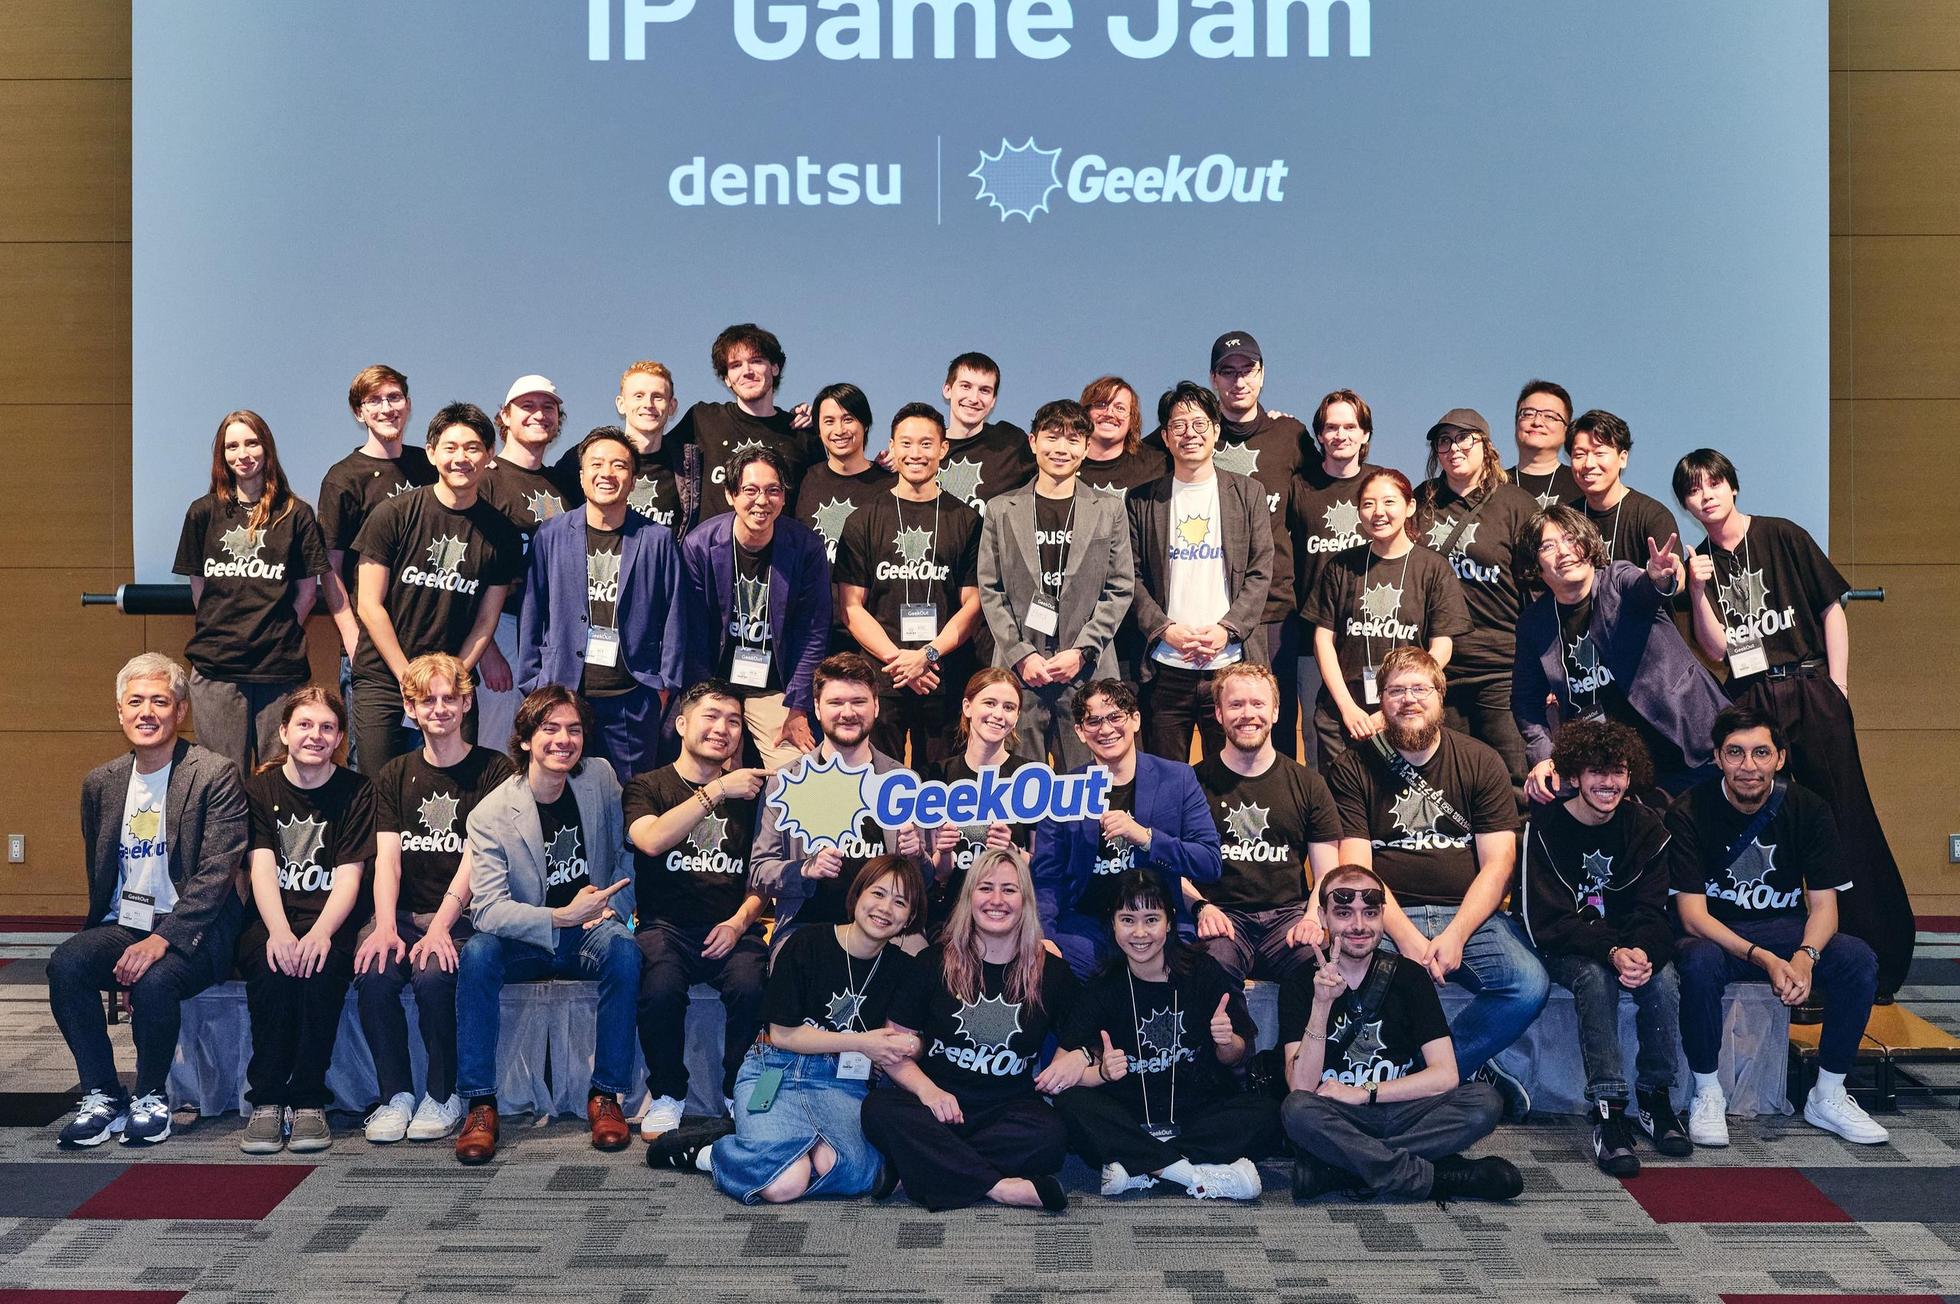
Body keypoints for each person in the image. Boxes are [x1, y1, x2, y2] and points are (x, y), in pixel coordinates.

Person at [1674, 448, 1913, 996]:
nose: (1705, 496)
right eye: (1693, 490)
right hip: (1752, 697)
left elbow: (1831, 609)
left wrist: (1838, 687)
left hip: (1809, 685)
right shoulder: (1701, 562)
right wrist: (1697, 588)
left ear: (1733, 486)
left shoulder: (1782, 534)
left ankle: (1874, 957)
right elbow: (1716, 650)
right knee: (1769, 821)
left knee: (1845, 816)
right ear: (1686, 504)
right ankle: (1788, 958)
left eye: (1713, 483)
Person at [1323, 647, 1545, 1117]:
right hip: (1385, 917)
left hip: (1469, 917)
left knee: (1527, 984)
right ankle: (1443, 1077)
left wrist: (1456, 934)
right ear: (1381, 700)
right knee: (1350, 982)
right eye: (1396, 691)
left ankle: (1428, 1074)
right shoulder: (1353, 766)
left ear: (1441, 696)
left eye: (1420, 689)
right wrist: (1406, 939)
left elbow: (1499, 865)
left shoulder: (1480, 760)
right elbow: (1358, 872)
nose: (1409, 699)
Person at [51, 654, 248, 1148]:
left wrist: (163, 940)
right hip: (127, 921)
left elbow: (217, 873)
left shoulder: (214, 774)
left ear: (180, 710)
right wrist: (112, 940)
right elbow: (102, 875)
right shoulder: (101, 782)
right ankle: (102, 1093)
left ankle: (151, 1097)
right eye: (135, 701)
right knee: (67, 964)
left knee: (156, 980)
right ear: (119, 711)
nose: (146, 712)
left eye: (159, 701)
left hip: (199, 927)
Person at [1668, 706, 1888, 1147]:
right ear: (1717, 757)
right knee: (1697, 961)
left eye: (1761, 752)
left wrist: (1805, 957)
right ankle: (1707, 1091)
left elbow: (1824, 907)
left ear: (1780, 758)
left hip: (1785, 930)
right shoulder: (1688, 810)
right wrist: (1764, 958)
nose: (1748, 766)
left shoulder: (1809, 808)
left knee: (1857, 959)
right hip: (1718, 934)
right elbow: (1692, 916)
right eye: (1735, 752)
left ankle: (1828, 1093)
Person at [653, 857, 925, 1202]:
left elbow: (909, 1041)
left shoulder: (905, 969)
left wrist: (910, 1045)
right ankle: (709, 1152)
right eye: (878, 893)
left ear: (909, 918)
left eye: (900, 902)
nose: (885, 908)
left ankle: (763, 1145)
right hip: (775, 1070)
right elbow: (782, 1034)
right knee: (785, 1183)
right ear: (857, 894)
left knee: (851, 1170)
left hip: (842, 1082)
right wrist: (863, 1042)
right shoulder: (807, 943)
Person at [453, 687, 640, 1163]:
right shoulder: (491, 814)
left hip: (589, 930)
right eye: (550, 728)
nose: (564, 739)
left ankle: (606, 1095)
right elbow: (487, 910)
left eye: (574, 729)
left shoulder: (599, 778)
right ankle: (480, 1103)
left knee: (624, 950)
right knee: (477, 952)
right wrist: (560, 916)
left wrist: (614, 906)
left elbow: (627, 854)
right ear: (525, 739)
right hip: (529, 937)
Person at [1279, 865, 1523, 1203]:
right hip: (1339, 1117)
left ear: (1383, 915)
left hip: (1402, 1109)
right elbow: (1301, 1088)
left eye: (1370, 913)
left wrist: (1364, 1092)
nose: (1359, 925)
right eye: (1344, 913)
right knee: (1297, 1110)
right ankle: (1437, 1178)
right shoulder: (1299, 982)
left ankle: (1346, 1168)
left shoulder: (1409, 976)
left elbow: (1445, 1074)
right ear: (1323, 917)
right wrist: (1321, 1005)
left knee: (1484, 1101)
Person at [863, 847, 1081, 1212]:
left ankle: (919, 1169)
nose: (996, 900)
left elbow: (1086, 1030)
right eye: (985, 888)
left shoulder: (1050, 971)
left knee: (1051, 1137)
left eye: (1009, 890)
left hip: (1008, 1110)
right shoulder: (931, 962)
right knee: (878, 1109)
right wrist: (929, 1091)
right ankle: (1002, 1188)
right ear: (969, 897)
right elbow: (893, 1049)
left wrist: (1079, 1056)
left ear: (1025, 901)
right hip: (937, 1108)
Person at [352, 654, 514, 1144]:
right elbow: (387, 860)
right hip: (402, 912)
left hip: (464, 915)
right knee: (374, 969)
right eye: (427, 700)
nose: (439, 709)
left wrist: (442, 925)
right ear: (410, 708)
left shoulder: (495, 769)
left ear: (467, 703)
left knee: (434, 973)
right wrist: (384, 925)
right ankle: (396, 1095)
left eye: (449, 698)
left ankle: (443, 1094)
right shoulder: (393, 773)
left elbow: (477, 858)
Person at [1515, 719, 1688, 1175]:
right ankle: (1609, 1111)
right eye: (1596, 771)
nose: (1608, 782)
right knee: (1594, 976)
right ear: (1574, 775)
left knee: (1664, 977)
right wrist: (1612, 953)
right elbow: (1547, 923)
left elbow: (1655, 913)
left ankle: (1654, 1096)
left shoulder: (1647, 827)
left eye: (1618, 771)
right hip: (1566, 945)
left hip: (1627, 944)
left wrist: (1642, 953)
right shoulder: (1544, 828)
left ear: (1630, 776)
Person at [1056, 870, 1278, 1200]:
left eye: (1151, 919)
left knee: (1268, 1113)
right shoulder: (1102, 987)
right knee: (1070, 1105)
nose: (1140, 933)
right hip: (1130, 1115)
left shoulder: (1202, 971)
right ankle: (1190, 1174)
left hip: (1197, 1111)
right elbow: (1061, 1074)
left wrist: (1226, 1041)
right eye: (1127, 920)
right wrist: (1100, 1072)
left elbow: (1236, 1055)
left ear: (1170, 922)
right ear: (1112, 924)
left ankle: (1139, 1166)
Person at [623, 681, 773, 1140]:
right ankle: (668, 1093)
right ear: (682, 724)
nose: (722, 729)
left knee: (751, 984)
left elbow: (763, 879)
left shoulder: (754, 794)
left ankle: (736, 1091)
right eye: (711, 717)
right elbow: (650, 840)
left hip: (731, 925)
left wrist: (739, 923)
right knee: (660, 987)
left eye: (733, 721)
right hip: (665, 926)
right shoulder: (647, 785)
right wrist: (718, 790)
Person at [238, 687, 376, 1155]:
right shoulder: (259, 790)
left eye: (327, 727)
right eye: (304, 725)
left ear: (339, 738)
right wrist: (279, 932)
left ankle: (309, 1099)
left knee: (322, 970)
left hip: (331, 918)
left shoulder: (357, 791)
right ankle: (267, 1100)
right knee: (270, 969)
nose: (315, 735)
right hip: (273, 914)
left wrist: (320, 933)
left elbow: (350, 876)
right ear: (283, 732)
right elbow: (260, 868)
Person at [349, 402, 523, 772]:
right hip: (385, 679)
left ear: (490, 455)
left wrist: (454, 676)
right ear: (431, 453)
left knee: (457, 788)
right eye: (450, 447)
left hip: (453, 686)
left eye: (473, 448)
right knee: (379, 788)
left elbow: (486, 619)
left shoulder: (501, 534)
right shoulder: (393, 515)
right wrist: (409, 677)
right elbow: (368, 605)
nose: (461, 458)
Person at [1515, 507, 1728, 801]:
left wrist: (1657, 578)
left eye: (1570, 538)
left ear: (1588, 543)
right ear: (1535, 565)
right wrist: (1543, 754)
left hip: (1690, 742)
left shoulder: (1616, 579)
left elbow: (1646, 588)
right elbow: (1525, 700)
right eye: (1547, 546)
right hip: (1617, 768)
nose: (1563, 551)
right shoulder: (1534, 623)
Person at [519, 426, 686, 780]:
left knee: (629, 797)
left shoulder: (657, 540)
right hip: (563, 693)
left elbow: (675, 617)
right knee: (560, 793)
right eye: (596, 464)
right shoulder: (550, 535)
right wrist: (533, 684)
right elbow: (532, 614)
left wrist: (663, 686)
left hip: (632, 698)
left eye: (619, 465)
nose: (606, 473)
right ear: (581, 476)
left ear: (633, 479)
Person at [977, 399, 1134, 769]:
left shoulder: (1109, 509)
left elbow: (1120, 587)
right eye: (1052, 437)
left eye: (1073, 439)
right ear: (1033, 442)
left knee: (1086, 786)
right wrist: (1021, 654)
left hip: (1086, 671)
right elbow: (990, 589)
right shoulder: (1001, 509)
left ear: (1086, 448)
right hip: (1021, 673)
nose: (1061, 448)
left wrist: (1081, 651)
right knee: (1018, 786)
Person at [173, 409, 330, 771]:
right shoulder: (202, 513)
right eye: (232, 446)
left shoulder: (296, 514)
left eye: (251, 443)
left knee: (282, 778)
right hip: (216, 669)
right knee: (222, 781)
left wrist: (274, 632)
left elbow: (307, 594)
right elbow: (200, 592)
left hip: (279, 670)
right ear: (222, 454)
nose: (242, 454)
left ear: (267, 448)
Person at [1031, 680, 1221, 978]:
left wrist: (1146, 838)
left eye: (1115, 717)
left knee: (1201, 974)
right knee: (1048, 971)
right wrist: (1043, 935)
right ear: (1080, 731)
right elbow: (1046, 879)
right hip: (1087, 929)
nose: (1106, 729)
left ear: (1135, 720)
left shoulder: (1178, 778)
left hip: (1159, 924)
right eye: (1093, 721)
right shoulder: (1063, 790)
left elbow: (1209, 862)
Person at [1127, 380, 1274, 761]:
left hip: (1231, 665)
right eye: (1178, 425)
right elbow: (1132, 577)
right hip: (1166, 665)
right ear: (1165, 436)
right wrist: (1165, 630)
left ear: (1216, 431)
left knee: (1230, 776)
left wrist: (1227, 629)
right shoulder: (1143, 500)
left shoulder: (1248, 493)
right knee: (1165, 777)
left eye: (1199, 424)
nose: (1189, 434)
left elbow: (1260, 570)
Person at [836, 402, 984, 769]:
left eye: (926, 444)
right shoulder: (863, 519)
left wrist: (927, 656)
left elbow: (973, 604)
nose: (915, 453)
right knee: (879, 782)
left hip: (943, 677)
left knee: (941, 785)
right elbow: (851, 606)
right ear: (892, 446)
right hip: (884, 677)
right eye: (906, 443)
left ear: (943, 449)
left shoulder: (967, 520)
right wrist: (899, 661)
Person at [750, 653, 923, 946]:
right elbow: (759, 872)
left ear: (876, 706)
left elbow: (925, 880)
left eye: (858, 702)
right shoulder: (785, 781)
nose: (848, 712)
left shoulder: (902, 782)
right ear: (817, 708)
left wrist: (916, 855)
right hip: (807, 927)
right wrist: (805, 870)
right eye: (836, 702)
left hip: (887, 932)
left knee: (920, 958)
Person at [1305, 468, 1470, 764]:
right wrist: (1347, 708)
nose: (1378, 512)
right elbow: (1323, 640)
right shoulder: (1341, 566)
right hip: (1344, 715)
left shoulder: (1433, 568)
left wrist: (1393, 708)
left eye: (1389, 502)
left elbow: (1442, 647)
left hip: (1409, 713)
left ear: (1410, 506)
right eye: (1368, 504)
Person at [680, 445, 831, 768]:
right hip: (718, 684)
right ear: (730, 494)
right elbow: (693, 634)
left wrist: (798, 707)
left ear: (784, 497)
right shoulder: (699, 545)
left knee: (799, 773)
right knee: (706, 765)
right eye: (750, 490)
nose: (762, 501)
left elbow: (813, 633)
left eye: (773, 490)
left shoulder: (805, 547)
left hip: (776, 689)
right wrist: (704, 702)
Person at [1188, 664, 1340, 983]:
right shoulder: (1191, 783)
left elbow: (1328, 872)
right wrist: (1201, 907)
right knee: (1209, 971)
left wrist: (1313, 917)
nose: (1248, 714)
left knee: (1316, 969)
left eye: (1258, 704)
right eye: (1236, 705)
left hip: (1288, 917)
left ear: (1275, 712)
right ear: (1218, 713)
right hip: (1222, 915)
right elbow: (1168, 865)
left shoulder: (1309, 784)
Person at [1414, 409, 1538, 791]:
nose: (1454, 448)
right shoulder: (1421, 501)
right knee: (1449, 781)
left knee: (1514, 779)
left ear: (1486, 444)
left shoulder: (1517, 504)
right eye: (1444, 441)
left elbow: (1537, 590)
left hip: (1501, 668)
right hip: (1439, 667)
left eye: (1464, 438)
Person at [1202, 331, 1312, 761]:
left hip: (1274, 611)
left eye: (1247, 370)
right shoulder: (1194, 432)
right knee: (1222, 727)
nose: (1239, 381)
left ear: (1262, 374)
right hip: (1212, 612)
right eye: (1228, 372)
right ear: (1213, 379)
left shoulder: (1290, 435)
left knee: (1274, 729)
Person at [316, 364, 437, 754]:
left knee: (431, 763)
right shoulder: (343, 478)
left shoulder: (431, 467)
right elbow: (330, 569)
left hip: (427, 643)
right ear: (359, 412)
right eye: (374, 401)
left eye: (395, 397)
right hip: (368, 647)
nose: (387, 408)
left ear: (408, 405)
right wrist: (351, 636)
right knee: (369, 766)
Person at [476, 375, 577, 754]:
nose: (539, 414)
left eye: (548, 407)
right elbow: (470, 575)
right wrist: (487, 651)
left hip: (552, 632)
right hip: (501, 627)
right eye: (527, 406)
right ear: (505, 415)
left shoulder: (565, 485)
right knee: (498, 747)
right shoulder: (485, 480)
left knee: (546, 745)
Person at [1289, 389, 1386, 765]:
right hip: (1314, 638)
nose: (1340, 435)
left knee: (1382, 739)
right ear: (1319, 435)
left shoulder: (1382, 484)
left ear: (1365, 434)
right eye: (1331, 427)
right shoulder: (1300, 487)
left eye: (1350, 426)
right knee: (1318, 740)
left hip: (1376, 633)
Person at [926, 668, 1039, 935]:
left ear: (1017, 716)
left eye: (1009, 707)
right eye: (989, 703)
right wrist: (944, 852)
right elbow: (938, 875)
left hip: (1011, 916)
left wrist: (1013, 851)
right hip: (951, 915)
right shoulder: (937, 776)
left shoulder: (1032, 777)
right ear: (967, 707)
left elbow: (1043, 867)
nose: (998, 714)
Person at [667, 322, 819, 499]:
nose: (747, 371)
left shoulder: (801, 433)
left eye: (756, 361)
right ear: (726, 378)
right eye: (736, 365)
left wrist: (820, 420)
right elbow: (655, 455)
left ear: (775, 367)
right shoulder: (702, 419)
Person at [552, 361, 689, 532]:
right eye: (638, 396)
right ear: (621, 404)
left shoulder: (686, 469)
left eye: (658, 397)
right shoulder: (582, 458)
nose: (648, 404)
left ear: (672, 406)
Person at [795, 381, 897, 567]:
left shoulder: (891, 484)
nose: (839, 430)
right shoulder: (805, 480)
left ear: (865, 424)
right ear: (818, 430)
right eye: (829, 421)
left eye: (848, 419)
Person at [1567, 410, 1679, 566]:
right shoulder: (1565, 520)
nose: (1589, 464)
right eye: (1580, 455)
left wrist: (1663, 575)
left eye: (1599, 453)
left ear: (1623, 458)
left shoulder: (1652, 515)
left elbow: (1675, 574)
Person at [937, 351, 1034, 514]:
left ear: (993, 400)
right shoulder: (923, 448)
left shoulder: (1012, 443)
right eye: (966, 386)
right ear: (947, 390)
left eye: (984, 390)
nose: (974, 398)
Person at [1077, 375, 1167, 498]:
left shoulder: (1156, 463)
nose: (1109, 413)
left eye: (1120, 408)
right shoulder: (1065, 464)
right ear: (1085, 413)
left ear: (1132, 420)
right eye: (1101, 404)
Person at [1508, 379, 1581, 510]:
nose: (1537, 422)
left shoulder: (1582, 484)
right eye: (1528, 414)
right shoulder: (1494, 484)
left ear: (1566, 430)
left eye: (1549, 416)